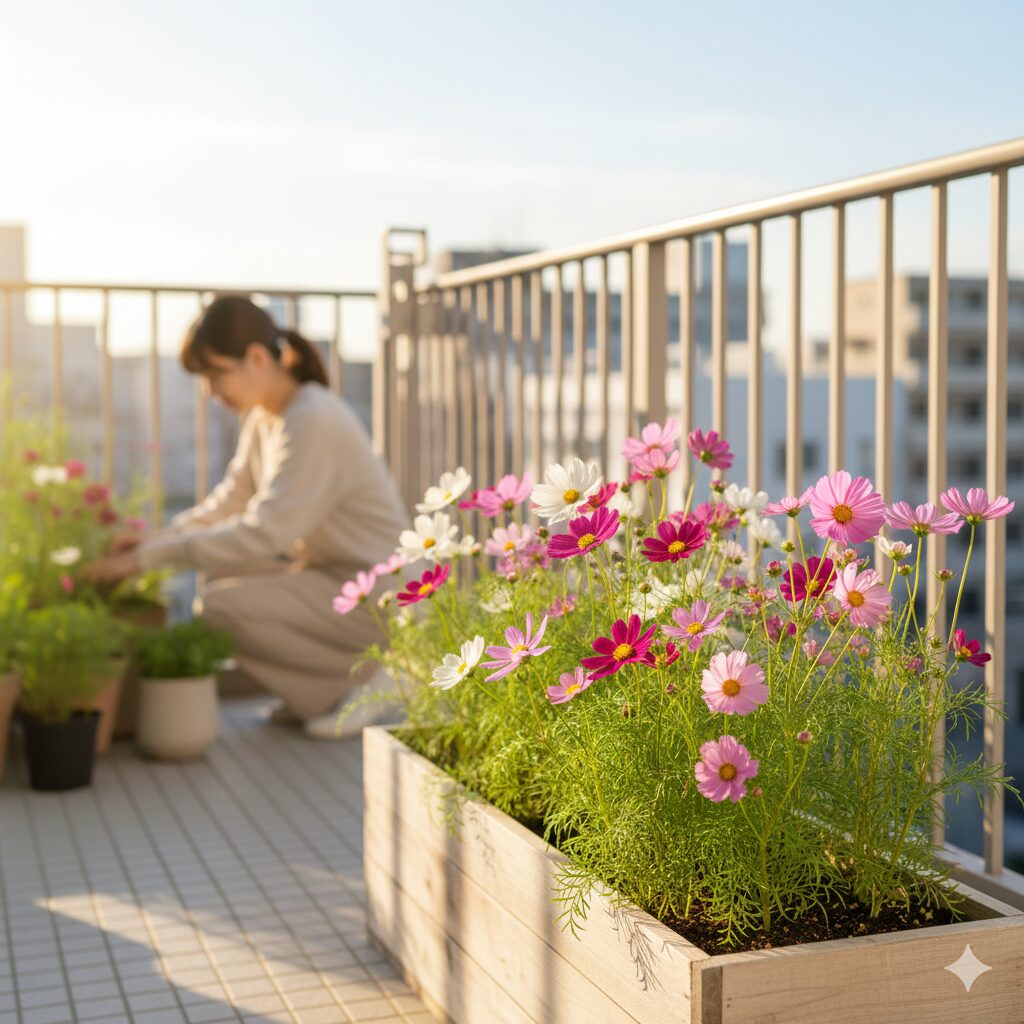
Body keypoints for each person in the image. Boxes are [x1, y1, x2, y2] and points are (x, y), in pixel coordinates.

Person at [85, 295, 409, 737]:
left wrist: (143, 561)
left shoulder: (312, 419)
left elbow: (262, 534)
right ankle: (329, 689)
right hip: (336, 576)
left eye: (216, 373)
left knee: (219, 607)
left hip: (381, 593)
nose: (209, 390)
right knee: (215, 579)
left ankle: (368, 679)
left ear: (257, 358)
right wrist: (153, 540)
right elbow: (229, 503)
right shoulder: (268, 418)